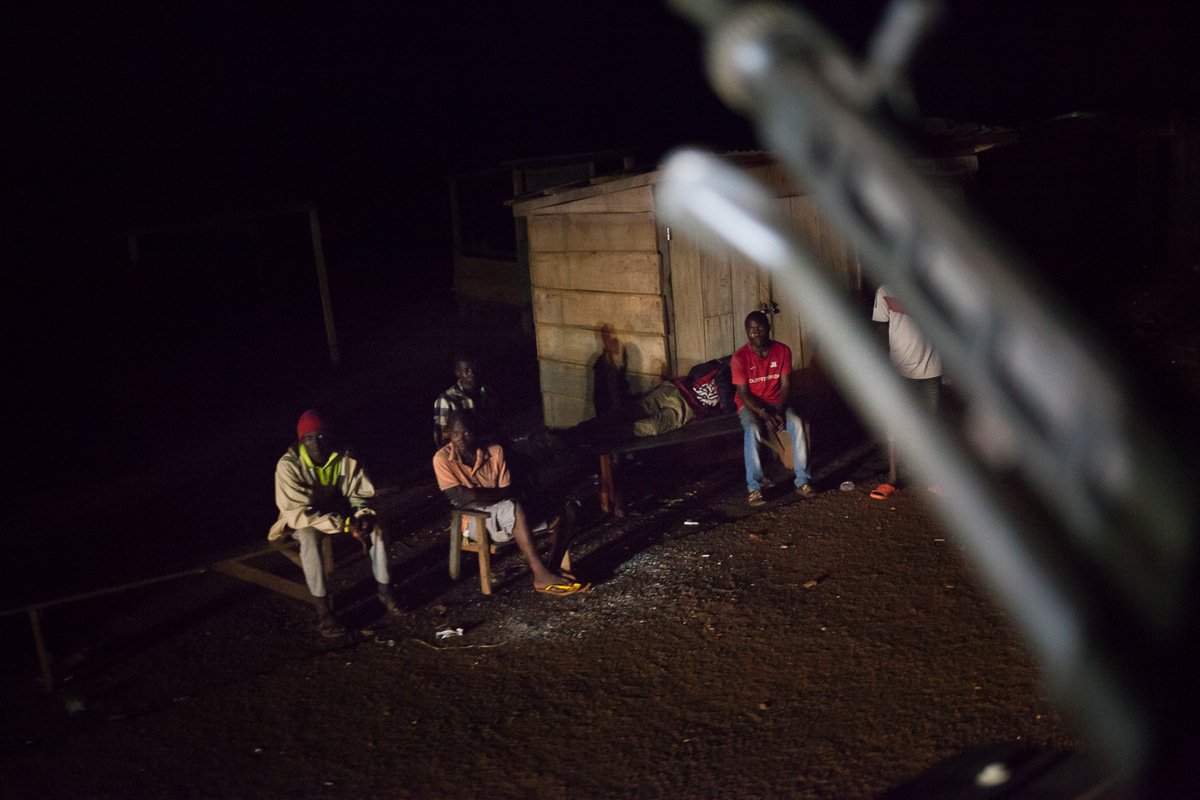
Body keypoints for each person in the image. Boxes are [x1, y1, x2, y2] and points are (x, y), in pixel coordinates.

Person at [269, 409, 400, 637]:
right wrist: (345, 524)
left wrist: (362, 514)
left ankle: (385, 590)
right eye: (309, 438)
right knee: (308, 538)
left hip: (336, 512)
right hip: (303, 518)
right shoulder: (289, 465)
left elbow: (359, 492)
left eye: (320, 436)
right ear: (301, 441)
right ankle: (324, 612)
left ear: (329, 436)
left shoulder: (344, 454)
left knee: (375, 525)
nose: (316, 443)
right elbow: (299, 514)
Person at [433, 409, 586, 595]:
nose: (461, 439)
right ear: (449, 435)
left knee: (569, 509)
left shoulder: (494, 451)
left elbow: (506, 490)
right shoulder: (442, 459)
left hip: (506, 512)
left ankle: (550, 570)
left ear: (475, 432)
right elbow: (459, 499)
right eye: (456, 434)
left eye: (466, 432)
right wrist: (494, 495)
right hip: (476, 521)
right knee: (512, 506)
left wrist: (476, 495)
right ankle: (541, 575)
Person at [731, 311, 813, 507]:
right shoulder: (739, 358)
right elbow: (744, 395)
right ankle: (754, 489)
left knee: (797, 423)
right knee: (752, 429)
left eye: (760, 328)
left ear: (768, 327)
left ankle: (803, 482)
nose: (756, 333)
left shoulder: (782, 350)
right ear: (747, 333)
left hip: (777, 402)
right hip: (751, 406)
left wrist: (780, 411)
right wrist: (763, 414)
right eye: (751, 330)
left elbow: (785, 386)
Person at [871, 285, 942, 498]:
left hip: (931, 368)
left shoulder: (931, 283)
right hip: (899, 370)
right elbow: (880, 328)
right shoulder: (885, 289)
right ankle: (893, 478)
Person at [433, 355, 495, 447]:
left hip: (488, 447)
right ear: (458, 373)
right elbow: (441, 438)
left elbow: (495, 424)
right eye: (466, 370)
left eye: (474, 369)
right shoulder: (447, 399)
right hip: (460, 451)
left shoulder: (487, 393)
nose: (471, 373)